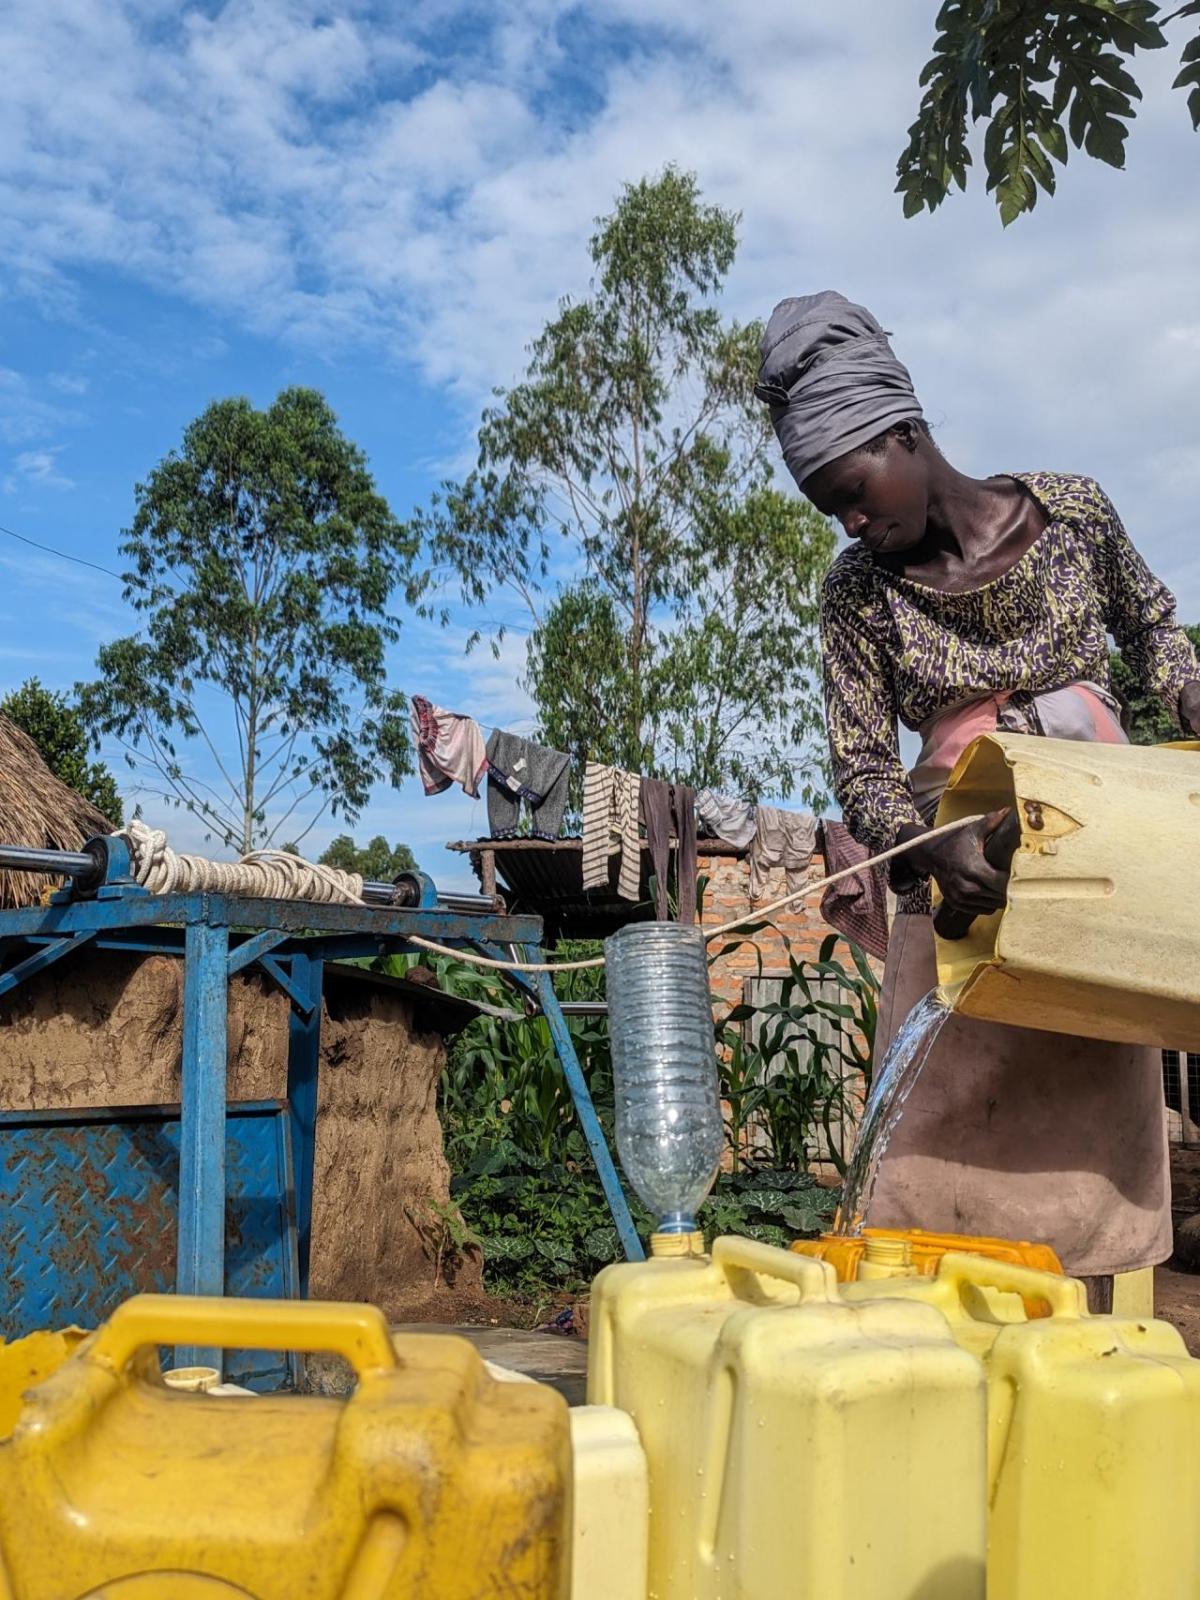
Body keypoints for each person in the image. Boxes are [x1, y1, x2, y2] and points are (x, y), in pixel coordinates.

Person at [756, 290, 1200, 1309]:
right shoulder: (856, 595)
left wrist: (1187, 688)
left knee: (1087, 1143)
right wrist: (923, 849)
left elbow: (1157, 632)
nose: (856, 522)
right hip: (960, 889)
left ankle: (1079, 1376)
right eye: (834, 511)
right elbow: (863, 771)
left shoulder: (1073, 511)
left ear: (904, 431)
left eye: (856, 491)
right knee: (937, 1154)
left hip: (1103, 867)